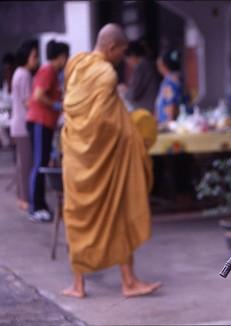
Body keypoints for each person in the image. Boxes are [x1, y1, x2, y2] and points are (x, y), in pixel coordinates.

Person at [61, 23, 161, 298]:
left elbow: (75, 110)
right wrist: (133, 134)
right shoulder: (105, 74)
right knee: (119, 212)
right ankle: (128, 282)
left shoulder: (76, 64)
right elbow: (104, 124)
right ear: (111, 48)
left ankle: (78, 285)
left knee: (77, 216)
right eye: (122, 52)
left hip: (76, 156)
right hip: (102, 160)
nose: (123, 58)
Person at [26, 40, 69, 222]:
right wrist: (56, 105)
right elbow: (38, 96)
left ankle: (41, 204)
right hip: (39, 122)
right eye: (65, 57)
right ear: (60, 57)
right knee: (39, 165)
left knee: (42, 164)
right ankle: (35, 207)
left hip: (46, 123)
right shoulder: (48, 71)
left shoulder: (54, 73)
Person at [10, 40, 39, 211]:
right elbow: (28, 102)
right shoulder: (25, 75)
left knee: (23, 165)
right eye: (34, 56)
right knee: (26, 165)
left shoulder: (18, 73)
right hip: (23, 125)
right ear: (26, 58)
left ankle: (22, 197)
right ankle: (25, 199)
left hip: (18, 124)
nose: (36, 60)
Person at [121, 40, 160, 113]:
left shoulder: (141, 68)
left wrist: (124, 92)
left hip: (144, 109)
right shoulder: (148, 65)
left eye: (127, 60)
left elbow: (133, 94)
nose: (128, 64)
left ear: (133, 56)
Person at [155, 49, 184, 129]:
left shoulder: (169, 82)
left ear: (164, 65)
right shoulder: (175, 78)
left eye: (159, 65)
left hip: (168, 123)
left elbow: (171, 104)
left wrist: (169, 123)